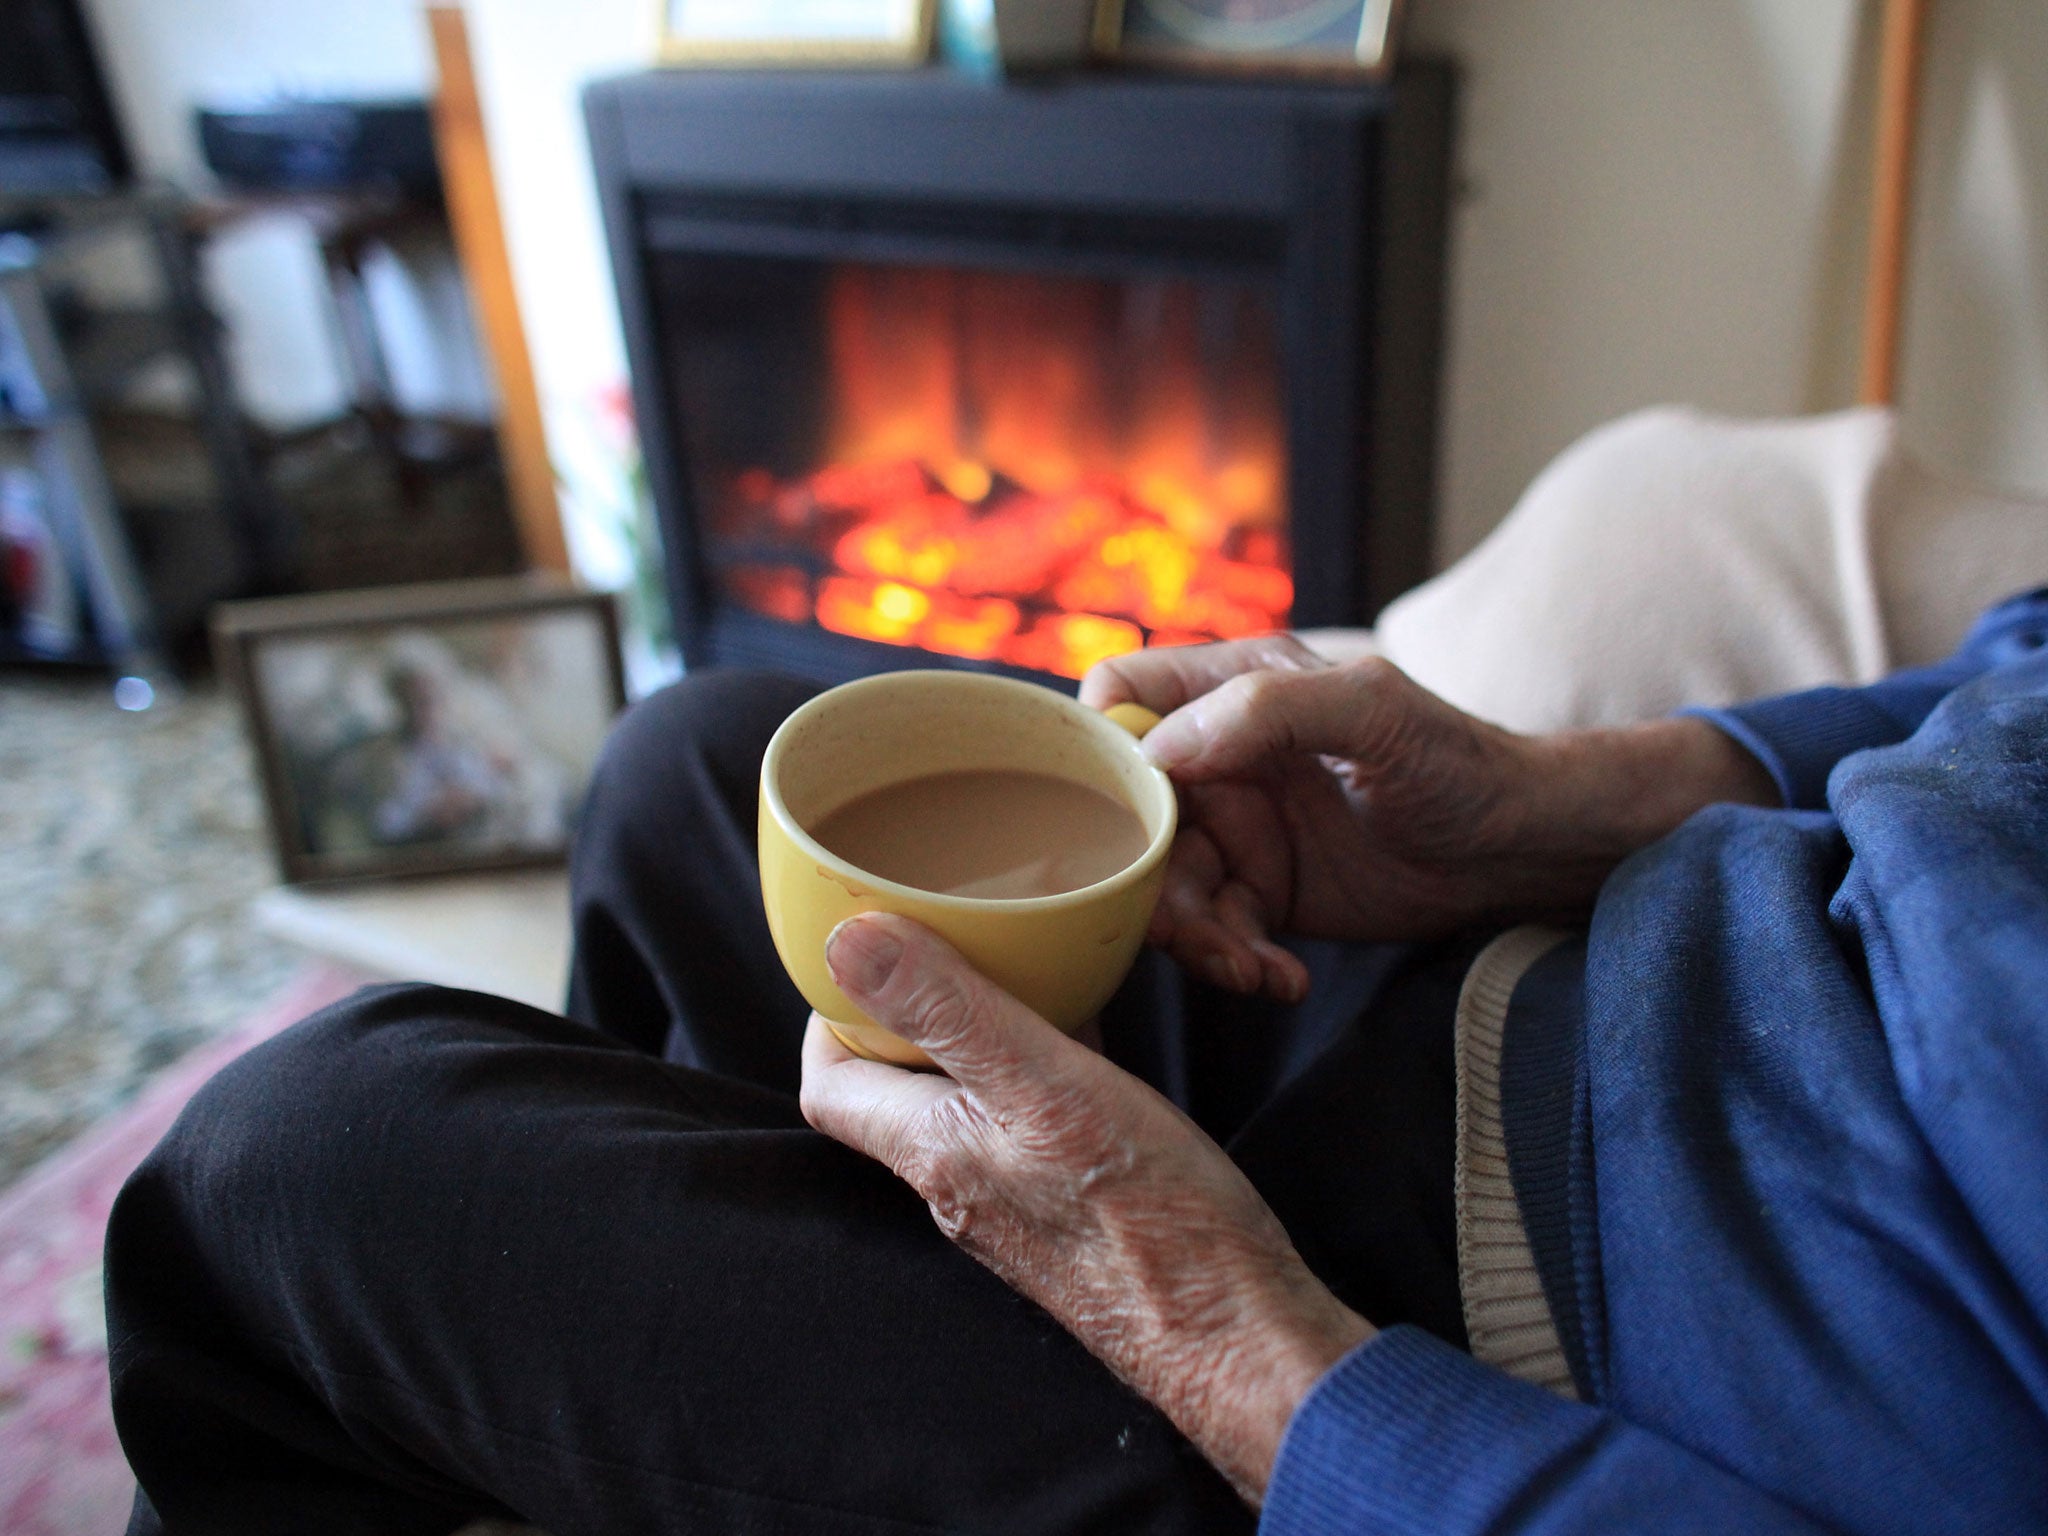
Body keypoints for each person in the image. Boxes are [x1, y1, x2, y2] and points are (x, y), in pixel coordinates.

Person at [101, 565, 2048, 1534]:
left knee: (290, 1169)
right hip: (1536, 969)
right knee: (691, 768)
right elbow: (2005, 682)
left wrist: (1231, 1341)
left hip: (1512, 1403)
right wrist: (1554, 798)